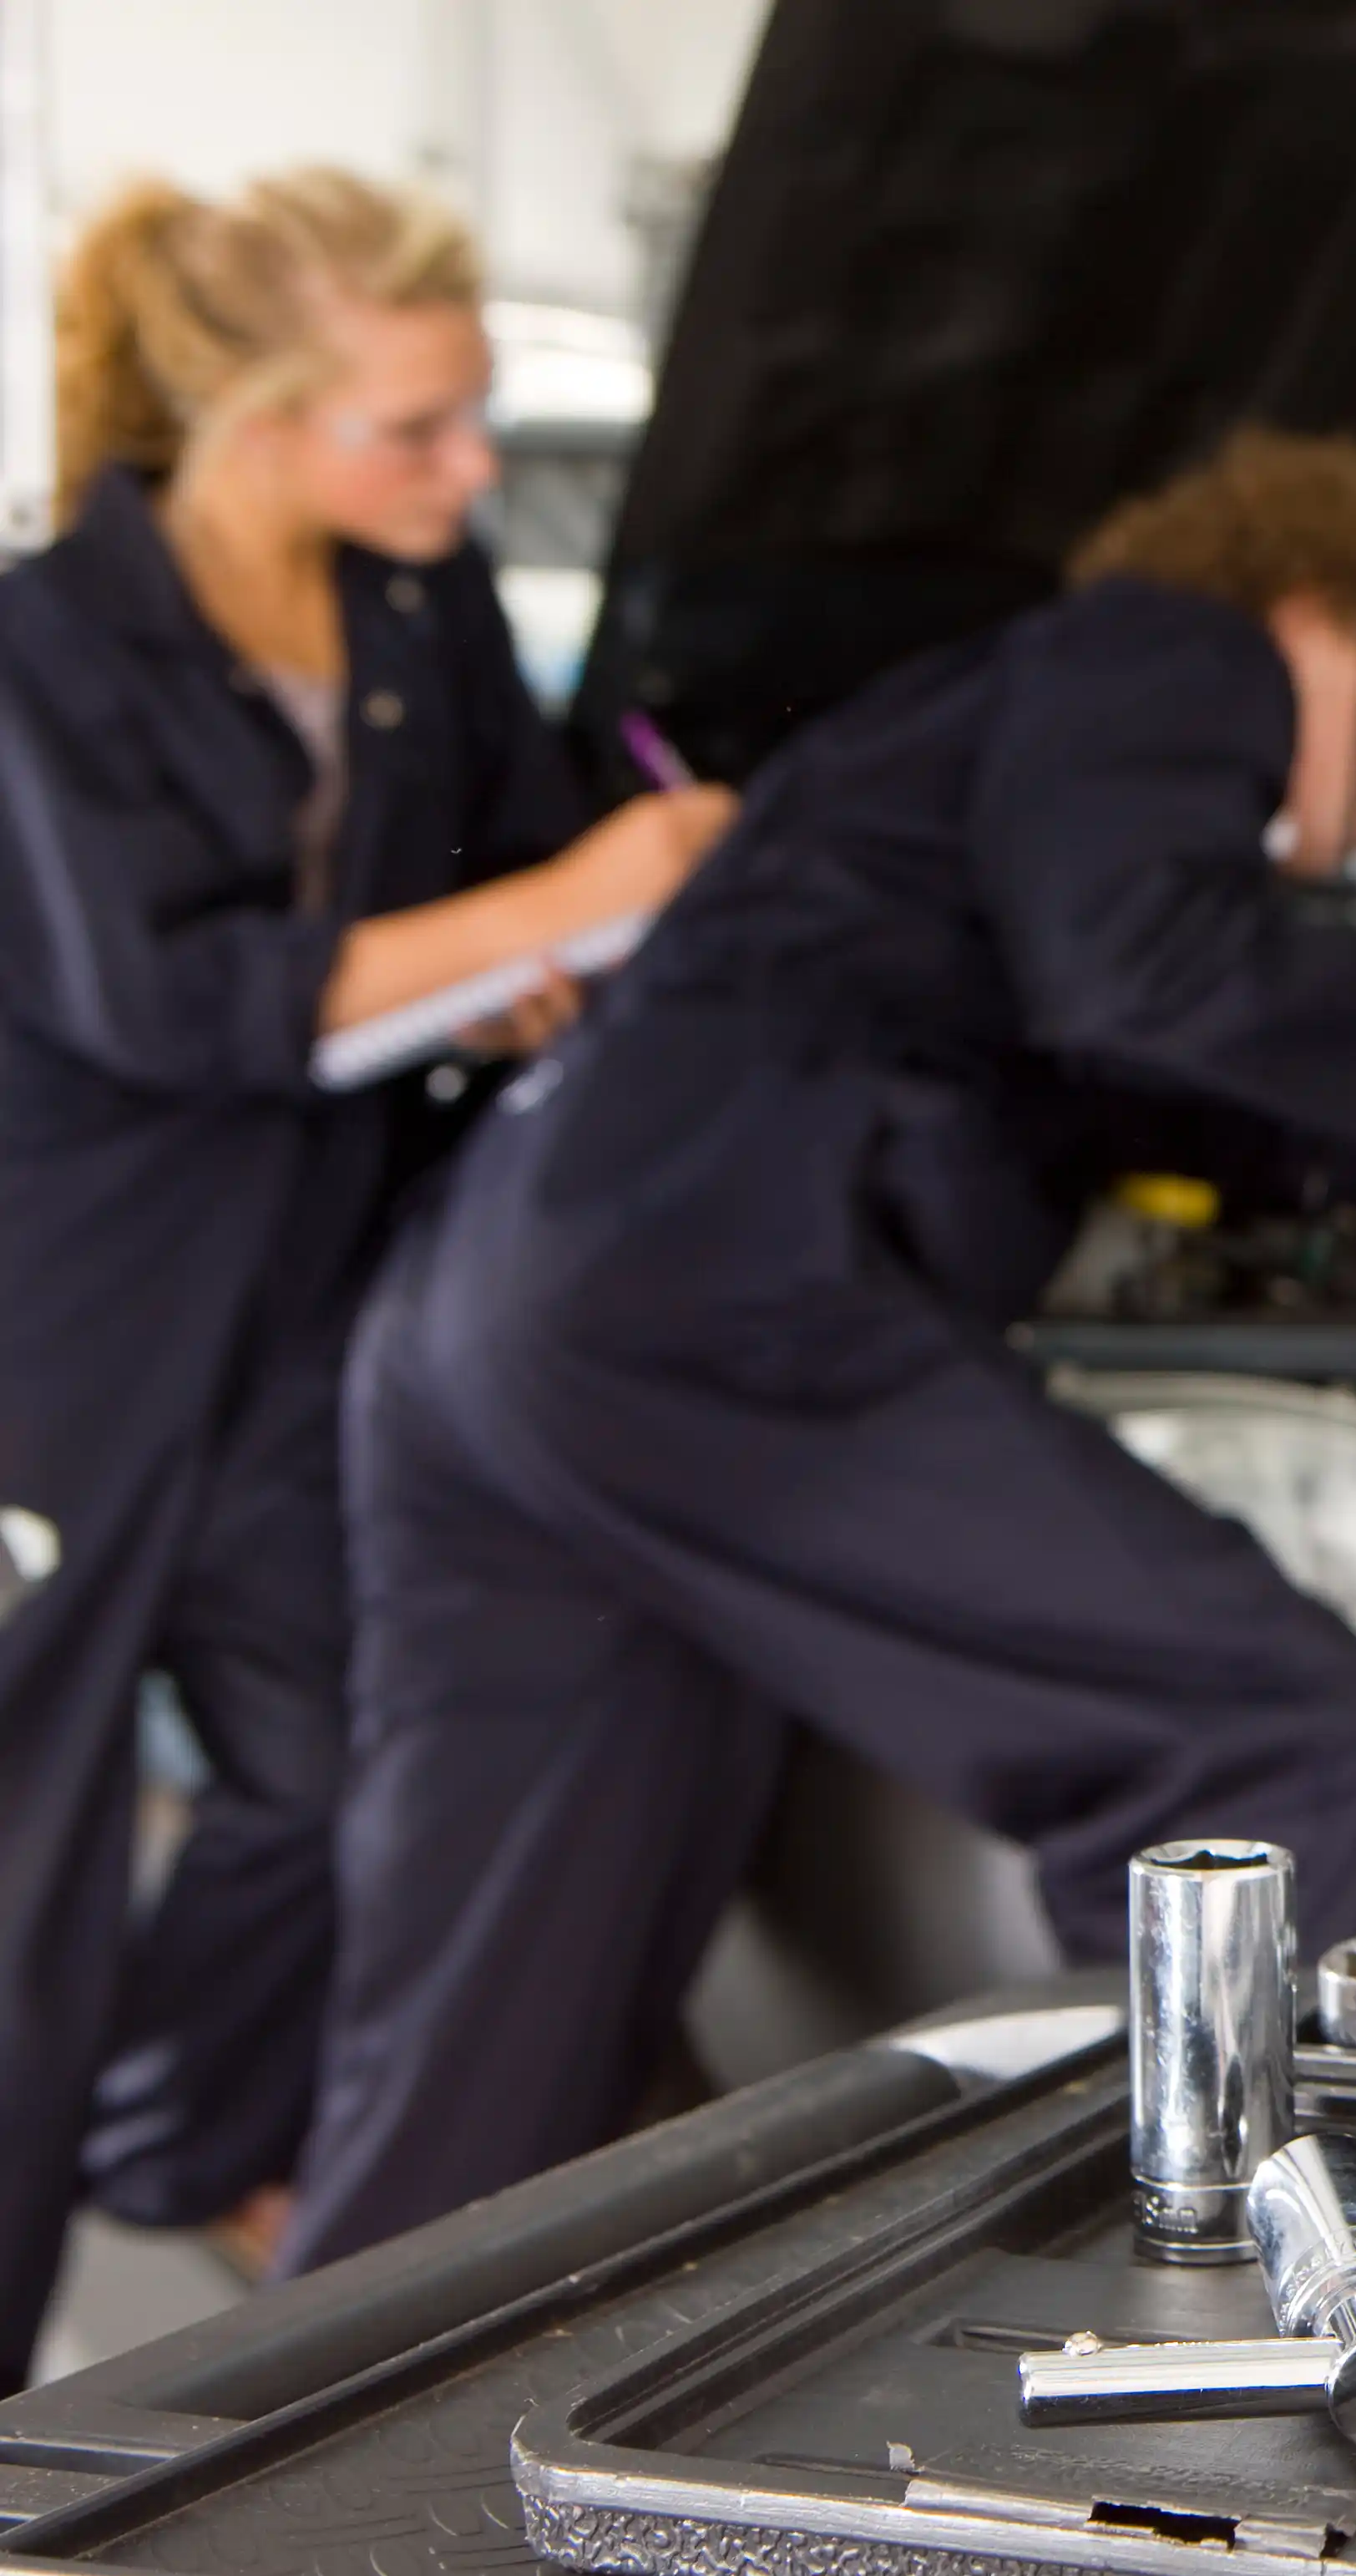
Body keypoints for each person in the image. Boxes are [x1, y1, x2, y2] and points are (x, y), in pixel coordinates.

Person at [277, 430, 1356, 2269]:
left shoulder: (1003, 770)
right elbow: (1143, 974)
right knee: (1288, 1755)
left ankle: (219, 2491)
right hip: (719, 1297)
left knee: (479, 2037)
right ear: (1309, 611)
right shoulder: (1165, 658)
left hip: (505, 1308)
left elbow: (1131, 1053)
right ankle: (1139, 2348)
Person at [0, 172, 733, 2377]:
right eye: (418, 429)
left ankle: (170, 2123)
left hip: (311, 1315)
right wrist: (558, 904)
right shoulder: (43, 654)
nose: (470, 471)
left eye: (475, 420)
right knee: (17, 1891)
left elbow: (498, 875)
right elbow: (196, 1006)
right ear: (249, 420)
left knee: (333, 1768)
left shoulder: (411, 618)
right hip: (62, 1341)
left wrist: (532, 945)